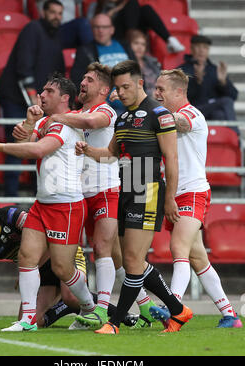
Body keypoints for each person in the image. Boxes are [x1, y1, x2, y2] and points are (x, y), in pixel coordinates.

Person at [75, 60, 193, 334]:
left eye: (127, 86)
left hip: (147, 189)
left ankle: (114, 323)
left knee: (130, 260)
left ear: (141, 83)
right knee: (134, 260)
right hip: (126, 188)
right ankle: (178, 311)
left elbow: (172, 160)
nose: (122, 92)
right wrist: (87, 150)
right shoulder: (124, 117)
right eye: (118, 88)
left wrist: (170, 198)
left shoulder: (159, 114)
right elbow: (110, 153)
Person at [0, 75, 96, 332]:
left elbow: (38, 150)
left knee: (63, 269)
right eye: (42, 90)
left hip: (67, 206)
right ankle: (27, 320)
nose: (41, 94)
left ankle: (89, 308)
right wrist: (30, 123)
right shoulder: (45, 121)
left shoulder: (66, 124)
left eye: (48, 90)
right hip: (42, 204)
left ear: (64, 97)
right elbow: (25, 145)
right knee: (27, 256)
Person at [148, 69, 243, 329]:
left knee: (178, 249)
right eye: (155, 89)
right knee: (198, 258)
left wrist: (145, 107)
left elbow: (178, 121)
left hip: (193, 191)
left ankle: (174, 308)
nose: (156, 94)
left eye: (161, 89)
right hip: (175, 192)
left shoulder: (193, 115)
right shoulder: (166, 116)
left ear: (179, 92)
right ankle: (230, 315)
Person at [0, 196, 136, 329]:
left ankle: (121, 315)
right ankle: (66, 307)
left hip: (65, 256)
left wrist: (28, 268)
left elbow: (48, 238)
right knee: (36, 320)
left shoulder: (12, 215)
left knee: (71, 296)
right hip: (39, 271)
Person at [41, 62, 122, 327]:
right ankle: (141, 307)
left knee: (102, 248)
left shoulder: (106, 111)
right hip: (79, 194)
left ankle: (100, 310)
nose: (82, 83)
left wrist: (57, 117)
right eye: (83, 78)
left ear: (103, 88)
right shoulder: (75, 115)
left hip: (106, 190)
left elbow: (90, 121)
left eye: (89, 79)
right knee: (102, 256)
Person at [0, 0, 65, 197]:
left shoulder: (55, 37)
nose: (56, 17)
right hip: (16, 98)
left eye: (60, 13)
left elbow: (57, 74)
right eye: (52, 12)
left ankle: (38, 194)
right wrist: (35, 98)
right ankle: (10, 197)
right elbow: (23, 67)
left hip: (38, 100)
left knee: (38, 145)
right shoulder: (32, 29)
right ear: (43, 12)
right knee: (18, 141)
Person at [178, 35, 238, 123]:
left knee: (219, 114)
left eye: (205, 47)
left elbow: (234, 96)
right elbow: (178, 97)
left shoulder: (214, 69)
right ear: (191, 48)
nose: (201, 50)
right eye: (198, 47)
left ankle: (229, 135)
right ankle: (236, 134)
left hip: (210, 109)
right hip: (190, 110)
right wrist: (197, 81)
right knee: (226, 102)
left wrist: (223, 82)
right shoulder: (181, 71)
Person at [70, 13, 136, 93]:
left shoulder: (125, 46)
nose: (100, 30)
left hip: (132, 98)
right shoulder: (85, 51)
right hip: (105, 101)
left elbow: (137, 72)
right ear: (92, 29)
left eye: (104, 27)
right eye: (97, 27)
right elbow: (77, 81)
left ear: (112, 29)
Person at [87, 0, 185, 53]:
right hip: (114, 35)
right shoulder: (95, 6)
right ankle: (130, 43)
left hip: (131, 31)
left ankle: (169, 39)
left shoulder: (126, 4)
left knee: (146, 9)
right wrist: (114, 11)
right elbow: (93, 26)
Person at [127, 29, 160, 97]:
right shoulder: (126, 65)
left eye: (143, 44)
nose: (140, 47)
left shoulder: (152, 62)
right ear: (129, 45)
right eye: (136, 43)